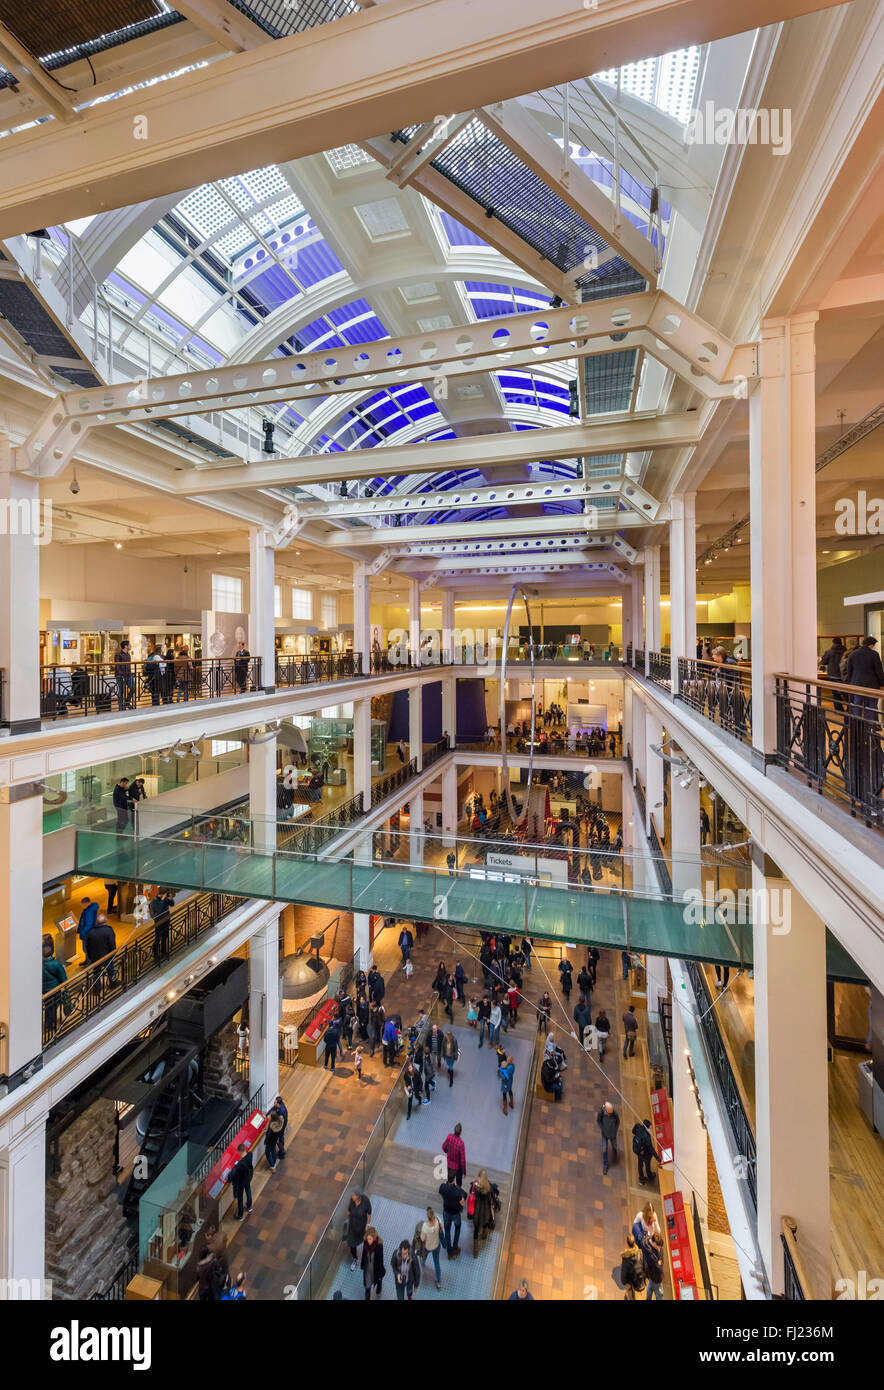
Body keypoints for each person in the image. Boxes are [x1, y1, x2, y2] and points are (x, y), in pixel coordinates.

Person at [846, 635, 884, 714]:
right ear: (871, 645)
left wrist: (850, 683)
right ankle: (872, 724)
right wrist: (882, 684)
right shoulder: (874, 654)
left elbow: (849, 671)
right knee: (872, 706)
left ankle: (857, 724)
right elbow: (879, 671)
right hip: (872, 685)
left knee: (857, 705)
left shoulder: (852, 654)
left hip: (856, 684)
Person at [469, 1170, 499, 1257]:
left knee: (475, 1230)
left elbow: (471, 1193)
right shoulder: (489, 1188)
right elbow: (492, 1200)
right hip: (485, 1213)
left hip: (476, 1213)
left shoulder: (474, 1186)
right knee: (485, 1224)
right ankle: (484, 1236)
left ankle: (475, 1251)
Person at [438, 1176, 465, 1257]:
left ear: (447, 1179)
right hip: (455, 1213)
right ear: (454, 1180)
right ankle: (455, 1247)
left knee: (447, 1230)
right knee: (457, 1228)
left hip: (446, 1212)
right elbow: (462, 1203)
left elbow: (440, 1193)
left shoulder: (443, 1187)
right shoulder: (457, 1191)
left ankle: (449, 1251)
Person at [345, 1188, 372, 1270]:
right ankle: (355, 1259)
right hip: (353, 1226)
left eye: (354, 1195)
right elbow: (349, 1210)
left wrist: (367, 1224)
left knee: (366, 1241)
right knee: (351, 1243)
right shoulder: (352, 1200)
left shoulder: (365, 1201)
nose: (352, 1196)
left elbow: (369, 1213)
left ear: (358, 1196)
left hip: (362, 1226)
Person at [419, 1206, 444, 1289]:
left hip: (427, 1247)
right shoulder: (438, 1220)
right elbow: (441, 1229)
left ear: (427, 1216)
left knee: (424, 1255)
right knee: (436, 1263)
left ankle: (422, 1262)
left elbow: (422, 1238)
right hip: (437, 1246)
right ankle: (438, 1281)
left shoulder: (425, 1227)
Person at [632, 1118, 662, 1185]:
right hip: (646, 1154)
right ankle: (650, 1176)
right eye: (650, 1128)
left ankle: (641, 1180)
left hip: (639, 1151)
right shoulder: (647, 1137)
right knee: (647, 1165)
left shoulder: (638, 1126)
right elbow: (651, 1149)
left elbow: (633, 1131)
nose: (650, 1130)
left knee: (640, 1165)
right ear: (646, 1128)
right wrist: (658, 1159)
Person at [360, 1227, 385, 1300]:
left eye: (370, 1239)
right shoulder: (365, 1244)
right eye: (367, 1239)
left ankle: (379, 1287)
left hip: (376, 1269)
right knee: (367, 1287)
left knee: (378, 1279)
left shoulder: (379, 1246)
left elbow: (381, 1260)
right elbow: (364, 1255)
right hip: (367, 1269)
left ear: (374, 1238)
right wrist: (362, 1265)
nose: (368, 1241)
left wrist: (380, 1273)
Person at [230, 1143, 253, 1220]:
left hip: (241, 1182)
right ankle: (249, 1206)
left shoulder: (240, 1164)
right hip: (248, 1178)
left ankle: (240, 1215)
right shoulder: (250, 1155)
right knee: (248, 1190)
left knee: (240, 1197)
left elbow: (234, 1174)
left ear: (239, 1151)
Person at [620, 1233, 646, 1300]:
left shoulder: (626, 1258)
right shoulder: (640, 1253)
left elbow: (623, 1278)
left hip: (633, 1286)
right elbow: (645, 1266)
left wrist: (626, 1283)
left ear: (627, 1244)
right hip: (642, 1284)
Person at [150, 888, 173, 963]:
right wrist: (163, 900)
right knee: (157, 939)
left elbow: (172, 904)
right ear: (162, 894)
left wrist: (170, 899)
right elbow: (158, 910)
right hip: (159, 923)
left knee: (165, 937)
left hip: (166, 921)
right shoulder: (154, 901)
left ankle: (164, 952)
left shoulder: (165, 899)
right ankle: (156, 956)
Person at [598, 1100, 620, 1175]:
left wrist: (615, 1130)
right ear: (606, 1111)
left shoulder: (614, 1113)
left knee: (614, 1145)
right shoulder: (601, 1112)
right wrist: (603, 1129)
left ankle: (614, 1151)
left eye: (611, 1113)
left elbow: (617, 1122)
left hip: (612, 1134)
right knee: (604, 1149)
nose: (610, 1114)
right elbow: (598, 1121)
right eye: (609, 1113)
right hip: (605, 1134)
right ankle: (605, 1165)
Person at [643, 1231, 665, 1300]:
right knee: (659, 1295)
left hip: (651, 1275)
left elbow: (661, 1251)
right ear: (654, 1243)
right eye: (658, 1247)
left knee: (650, 1288)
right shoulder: (651, 1256)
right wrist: (659, 1262)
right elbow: (660, 1269)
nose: (660, 1249)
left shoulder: (648, 1241)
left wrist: (660, 1261)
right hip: (656, 1278)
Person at [264, 1103, 285, 1172]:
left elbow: (268, 1136)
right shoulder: (279, 1122)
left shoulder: (272, 1128)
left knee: (267, 1152)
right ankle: (274, 1161)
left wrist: (266, 1132)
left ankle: (272, 1165)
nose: (269, 1116)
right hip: (275, 1140)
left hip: (270, 1142)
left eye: (270, 1116)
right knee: (273, 1151)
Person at [114, 639, 135, 710]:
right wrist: (121, 674)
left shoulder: (128, 655)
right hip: (120, 675)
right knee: (121, 692)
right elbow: (117, 665)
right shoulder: (118, 654)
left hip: (128, 675)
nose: (131, 646)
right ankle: (121, 707)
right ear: (126, 646)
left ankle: (127, 702)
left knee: (133, 687)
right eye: (129, 645)